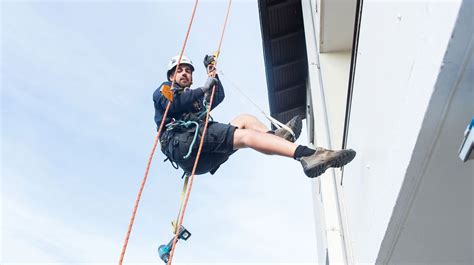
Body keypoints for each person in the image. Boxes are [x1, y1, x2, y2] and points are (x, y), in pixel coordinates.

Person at [153, 54, 356, 177]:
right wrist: (202, 88)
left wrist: (212, 75)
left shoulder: (195, 100)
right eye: (179, 71)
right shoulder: (165, 89)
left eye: (188, 70)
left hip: (201, 155)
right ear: (172, 75)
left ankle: (274, 137)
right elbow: (175, 103)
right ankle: (307, 155)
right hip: (184, 143)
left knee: (244, 120)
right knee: (245, 137)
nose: (184, 73)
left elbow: (218, 96)